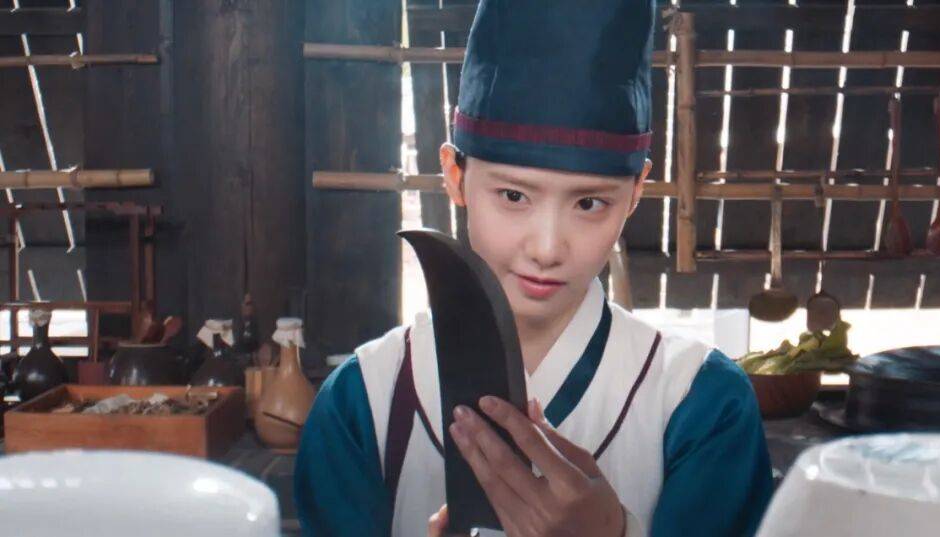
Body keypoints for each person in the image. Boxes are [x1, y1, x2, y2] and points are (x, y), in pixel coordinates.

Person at [294, 1, 774, 535]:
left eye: (589, 203)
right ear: (454, 175)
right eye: (513, 195)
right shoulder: (364, 399)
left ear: (637, 190)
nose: (547, 249)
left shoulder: (702, 403)